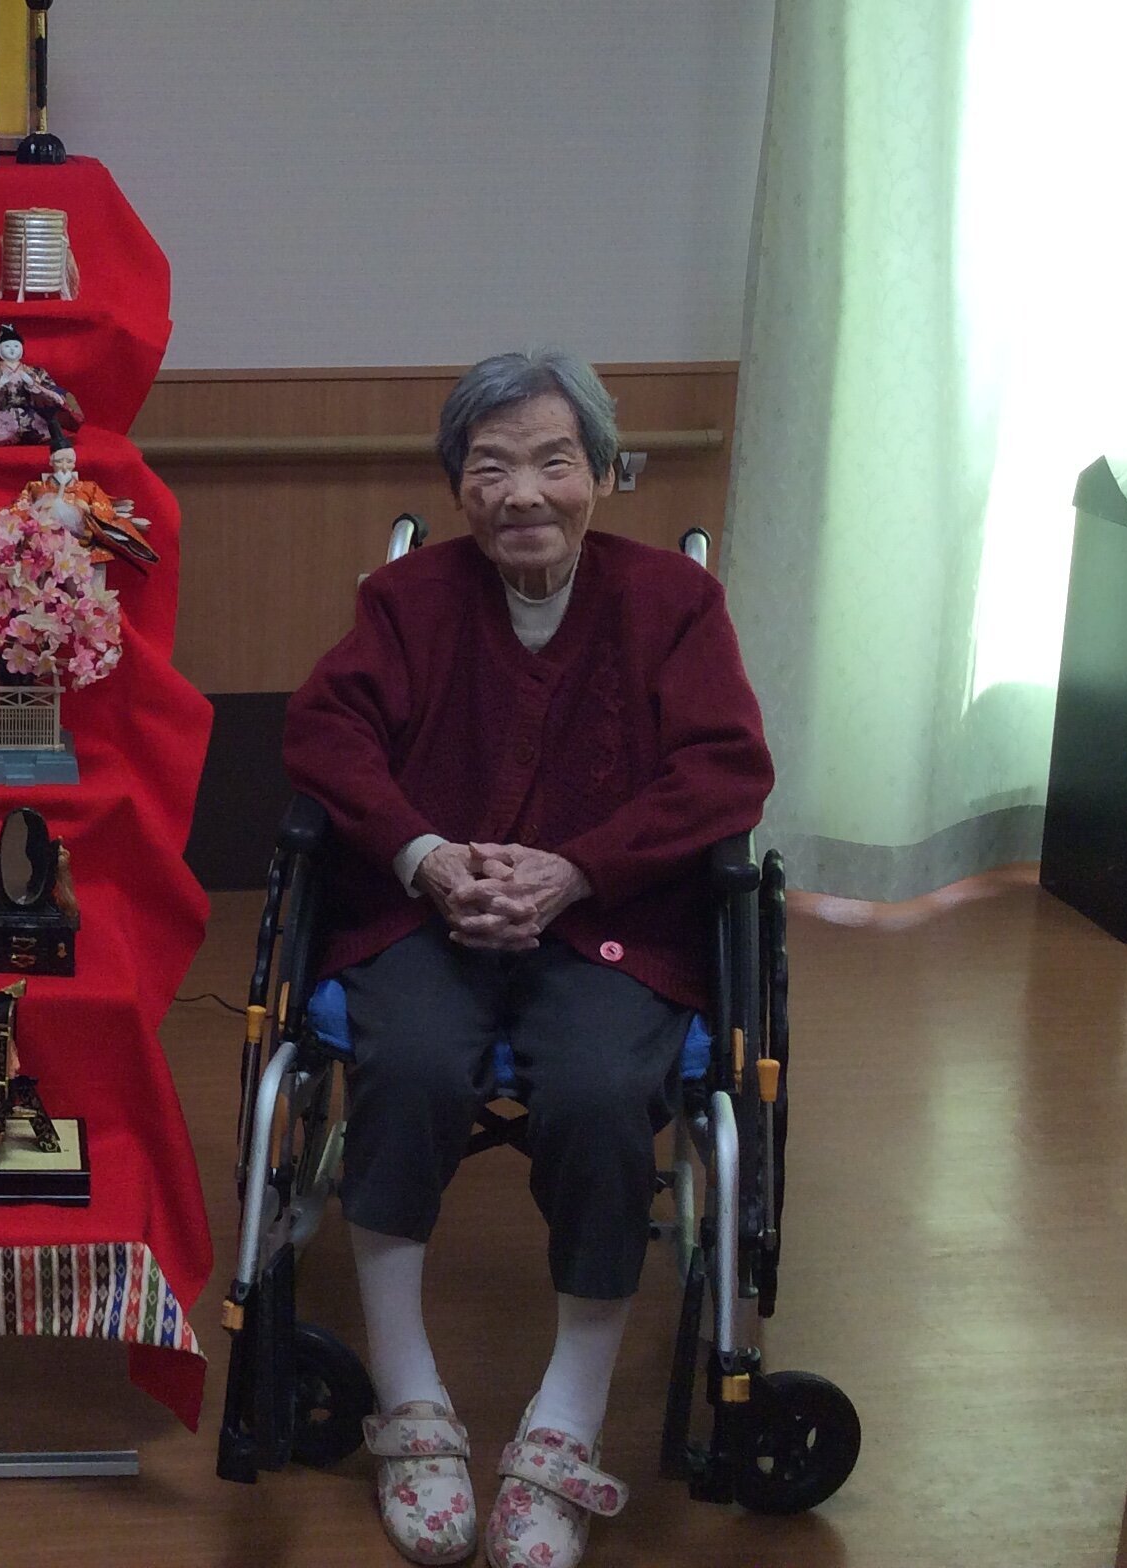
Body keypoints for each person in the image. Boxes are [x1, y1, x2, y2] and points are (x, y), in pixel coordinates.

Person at [282, 350, 772, 1568]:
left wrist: (576, 868)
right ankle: (411, 1401)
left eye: (555, 461)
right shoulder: (408, 601)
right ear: (459, 486)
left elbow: (725, 769)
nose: (523, 494)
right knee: (408, 1065)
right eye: (490, 467)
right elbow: (324, 731)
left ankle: (565, 1419)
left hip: (614, 919)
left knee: (603, 1090)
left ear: (602, 471)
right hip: (428, 917)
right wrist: (427, 855)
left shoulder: (673, 604)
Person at [14, 424, 155, 582]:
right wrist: (40, 509)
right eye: (60, 461)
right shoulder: (36, 487)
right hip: (48, 546)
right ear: (51, 462)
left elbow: (107, 511)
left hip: (83, 544)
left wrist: (88, 508)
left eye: (69, 462)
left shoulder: (89, 487)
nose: (64, 467)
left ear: (74, 463)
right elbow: (19, 511)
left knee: (96, 561)